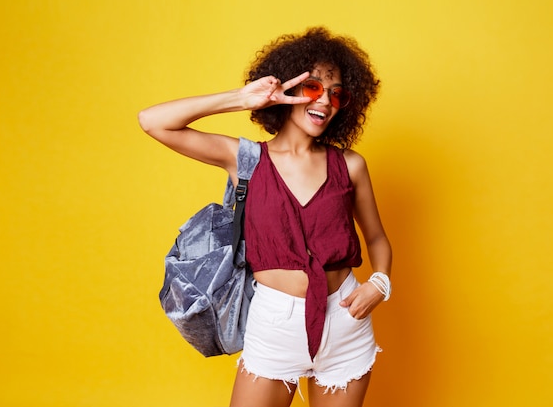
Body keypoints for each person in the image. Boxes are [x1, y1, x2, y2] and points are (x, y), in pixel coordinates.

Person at [138, 27, 392, 407]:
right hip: (275, 325)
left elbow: (376, 238)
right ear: (288, 90)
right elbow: (152, 121)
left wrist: (380, 282)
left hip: (345, 322)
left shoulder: (350, 165)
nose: (325, 100)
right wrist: (243, 98)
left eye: (336, 92)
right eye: (312, 87)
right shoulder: (246, 160)